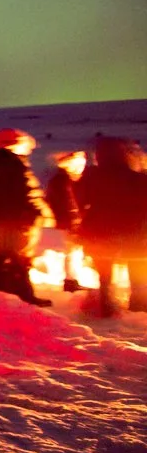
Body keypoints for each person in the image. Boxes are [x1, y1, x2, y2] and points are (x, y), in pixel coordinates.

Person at [0, 128, 54, 306]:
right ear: (16, 144)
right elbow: (25, 192)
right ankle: (21, 294)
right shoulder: (14, 163)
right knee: (15, 256)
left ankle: (4, 291)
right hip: (15, 217)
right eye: (26, 145)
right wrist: (34, 212)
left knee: (4, 253)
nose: (29, 149)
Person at [77, 136, 147, 318]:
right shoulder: (137, 178)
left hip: (100, 232)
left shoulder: (91, 176)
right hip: (133, 232)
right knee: (138, 273)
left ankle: (107, 309)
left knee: (105, 276)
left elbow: (81, 200)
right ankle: (138, 310)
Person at [45, 150, 87, 293]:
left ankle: (72, 280)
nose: (82, 164)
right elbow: (67, 204)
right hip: (69, 222)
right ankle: (70, 282)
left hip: (69, 221)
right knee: (73, 252)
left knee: (74, 252)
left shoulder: (66, 179)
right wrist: (75, 220)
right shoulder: (62, 181)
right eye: (78, 161)